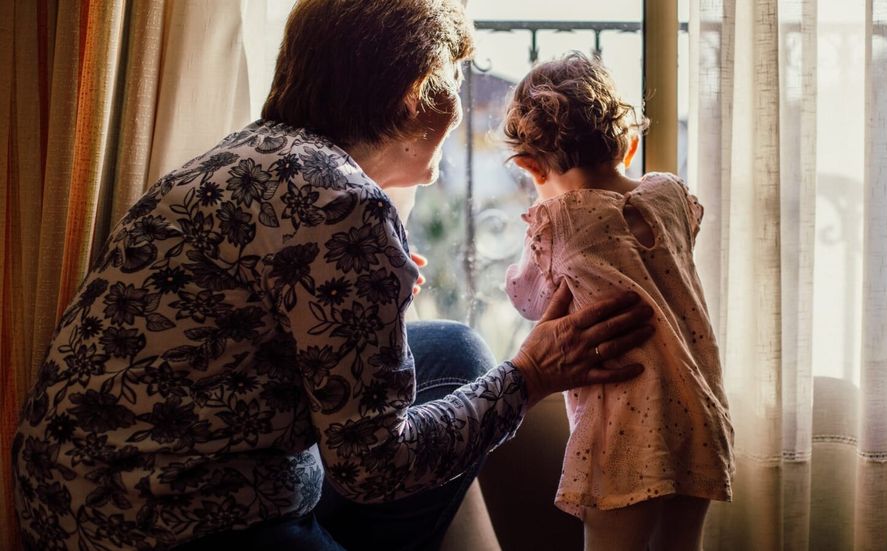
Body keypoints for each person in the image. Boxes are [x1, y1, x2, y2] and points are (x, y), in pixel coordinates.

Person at [11, 3, 655, 550]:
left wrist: (371, 299)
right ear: (414, 94)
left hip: (65, 495)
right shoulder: (345, 204)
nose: (458, 105)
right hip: (174, 526)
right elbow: (375, 466)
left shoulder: (245, 154)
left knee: (453, 350)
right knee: (470, 386)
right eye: (453, 81)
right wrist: (532, 375)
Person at [503, 52, 735, 551]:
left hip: (625, 428)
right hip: (699, 410)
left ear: (528, 166)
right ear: (629, 146)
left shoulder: (558, 220)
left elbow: (529, 298)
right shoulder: (669, 194)